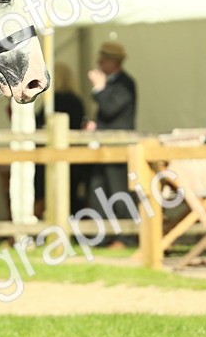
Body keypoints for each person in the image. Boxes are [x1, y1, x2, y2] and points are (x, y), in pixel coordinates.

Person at [85, 41, 137, 246]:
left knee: (119, 191)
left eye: (104, 60)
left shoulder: (125, 84)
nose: (100, 63)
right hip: (103, 147)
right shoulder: (113, 83)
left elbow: (110, 108)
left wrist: (99, 88)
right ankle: (101, 237)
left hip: (118, 148)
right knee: (98, 189)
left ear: (114, 62)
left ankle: (126, 237)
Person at [34, 64, 88, 214]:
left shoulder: (55, 100)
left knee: (45, 191)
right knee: (70, 195)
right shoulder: (77, 100)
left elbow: (40, 124)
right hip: (73, 155)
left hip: (53, 154)